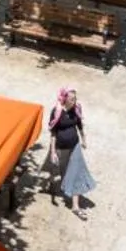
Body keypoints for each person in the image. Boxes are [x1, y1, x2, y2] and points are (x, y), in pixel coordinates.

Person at [48, 88, 96, 218]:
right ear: (65, 99)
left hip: (74, 147)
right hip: (60, 148)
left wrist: (84, 139)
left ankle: (75, 206)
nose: (74, 101)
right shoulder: (57, 111)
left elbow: (79, 124)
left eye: (75, 98)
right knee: (58, 172)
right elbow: (53, 132)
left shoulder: (76, 109)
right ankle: (52, 186)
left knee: (75, 173)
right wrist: (53, 151)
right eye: (72, 99)